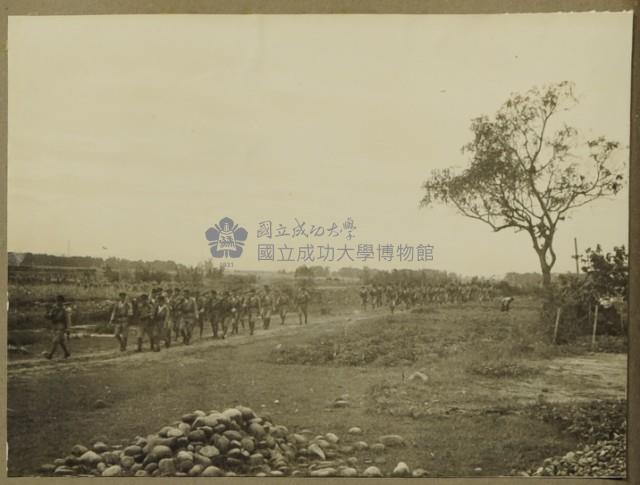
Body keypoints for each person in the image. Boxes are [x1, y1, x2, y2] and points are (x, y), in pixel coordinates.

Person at [44, 295, 72, 359]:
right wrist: (47, 312)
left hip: (62, 327)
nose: (58, 302)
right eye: (57, 301)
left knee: (56, 341)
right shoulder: (54, 308)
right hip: (55, 326)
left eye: (59, 301)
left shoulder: (65, 310)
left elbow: (68, 320)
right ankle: (67, 353)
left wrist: (68, 329)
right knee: (61, 341)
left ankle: (50, 355)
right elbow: (49, 316)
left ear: (62, 302)